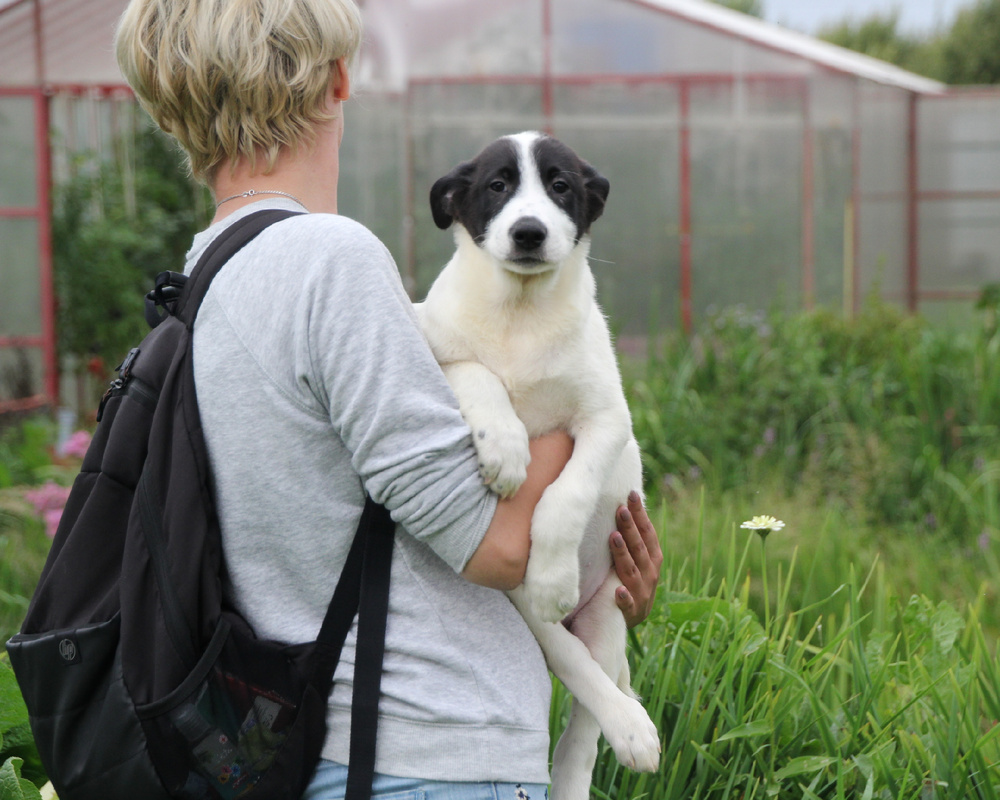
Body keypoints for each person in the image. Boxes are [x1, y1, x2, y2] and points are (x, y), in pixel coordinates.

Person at [112, 1, 662, 798]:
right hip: (425, 753)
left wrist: (587, 569)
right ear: (339, 78)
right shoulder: (334, 261)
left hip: (303, 746)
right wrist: (587, 527)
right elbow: (499, 546)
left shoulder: (206, 274)